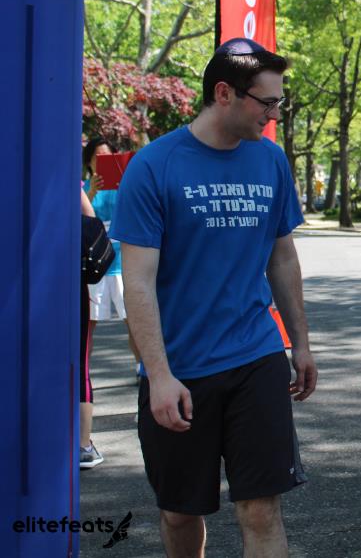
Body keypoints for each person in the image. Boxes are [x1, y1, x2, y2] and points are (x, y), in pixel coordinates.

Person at [111, 38, 317, 557]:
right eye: (266, 102)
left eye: (279, 103)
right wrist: (159, 375)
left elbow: (282, 258)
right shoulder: (154, 166)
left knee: (261, 508)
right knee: (181, 513)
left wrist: (301, 343)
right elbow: (137, 282)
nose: (274, 115)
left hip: (256, 357)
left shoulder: (270, 160)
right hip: (180, 368)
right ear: (224, 93)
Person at [83, 137, 139, 381]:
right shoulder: (83, 188)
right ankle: (83, 373)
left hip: (121, 264)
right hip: (95, 266)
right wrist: (91, 192)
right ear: (89, 161)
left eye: (108, 156)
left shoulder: (123, 186)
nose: (102, 161)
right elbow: (79, 217)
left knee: (133, 320)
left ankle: (142, 369)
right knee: (88, 325)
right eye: (98, 157)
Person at [80, 187, 104, 469]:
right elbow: (90, 221)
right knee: (78, 363)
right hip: (67, 280)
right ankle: (83, 445)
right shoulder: (64, 180)